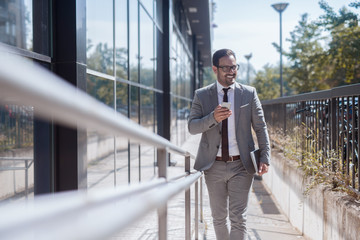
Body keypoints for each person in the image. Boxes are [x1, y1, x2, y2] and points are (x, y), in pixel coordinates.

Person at [188, 48, 270, 240]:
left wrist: (265, 157)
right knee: (218, 217)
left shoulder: (248, 94)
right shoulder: (202, 95)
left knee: (238, 218)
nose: (231, 71)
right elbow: (192, 127)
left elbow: (261, 127)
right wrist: (212, 118)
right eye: (226, 67)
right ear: (215, 69)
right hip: (213, 165)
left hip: (241, 165)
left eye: (234, 67)